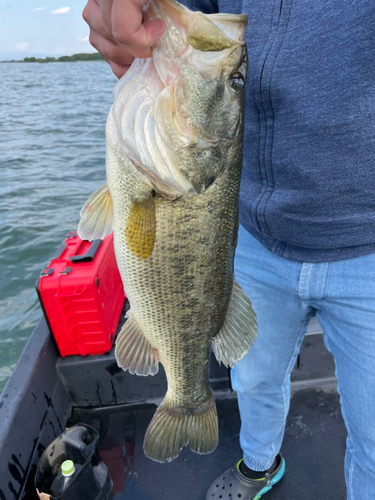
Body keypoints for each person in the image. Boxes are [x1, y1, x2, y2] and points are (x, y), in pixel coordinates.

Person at [82, 1, 375, 498]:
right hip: (253, 242)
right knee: (254, 381)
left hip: (367, 252)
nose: (229, 67)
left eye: (232, 80)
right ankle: (259, 462)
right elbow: (188, 9)